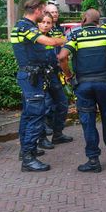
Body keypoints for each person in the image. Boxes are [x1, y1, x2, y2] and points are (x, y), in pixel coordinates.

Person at [58, 9, 106, 173]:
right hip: (104, 84)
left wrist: (69, 76)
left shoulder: (76, 35)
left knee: (88, 122)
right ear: (98, 21)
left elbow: (62, 57)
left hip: (83, 86)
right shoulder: (105, 34)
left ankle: (93, 160)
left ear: (83, 19)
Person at [11, 0, 66, 172]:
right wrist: (64, 39)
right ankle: (28, 159)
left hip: (29, 75)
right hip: (31, 77)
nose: (44, 14)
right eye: (42, 10)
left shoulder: (20, 25)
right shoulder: (26, 27)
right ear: (36, 10)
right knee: (35, 115)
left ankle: (26, 150)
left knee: (28, 115)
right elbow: (48, 42)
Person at [35, 13, 73, 149]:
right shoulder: (34, 37)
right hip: (39, 77)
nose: (45, 25)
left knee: (62, 103)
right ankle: (42, 138)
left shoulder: (53, 36)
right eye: (43, 22)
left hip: (53, 75)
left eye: (48, 22)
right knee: (41, 108)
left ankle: (58, 134)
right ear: (38, 23)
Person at [42, 4, 69, 139]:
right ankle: (47, 128)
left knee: (60, 102)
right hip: (46, 72)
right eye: (51, 12)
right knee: (48, 103)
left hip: (57, 69)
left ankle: (57, 132)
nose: (55, 14)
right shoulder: (43, 31)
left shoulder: (59, 29)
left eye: (56, 12)